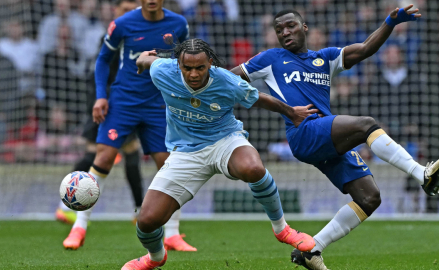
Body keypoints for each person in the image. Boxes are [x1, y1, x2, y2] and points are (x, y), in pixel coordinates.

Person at [230, 6, 439, 269]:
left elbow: (366, 48)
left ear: (305, 27)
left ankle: (311, 249)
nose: (285, 32)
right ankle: (422, 174)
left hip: (326, 137)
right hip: (304, 133)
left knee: (369, 198)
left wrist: (390, 22)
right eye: (279, 30)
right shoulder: (271, 58)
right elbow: (228, 80)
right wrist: (283, 109)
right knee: (365, 125)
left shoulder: (325, 58)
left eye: (290, 26)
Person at [121, 38, 317, 270]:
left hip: (225, 140)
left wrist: (291, 112)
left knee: (253, 168)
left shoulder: (227, 81)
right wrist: (144, 59)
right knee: (146, 221)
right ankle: (155, 257)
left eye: (200, 68)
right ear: (178, 66)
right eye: (188, 68)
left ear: (210, 63)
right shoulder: (163, 71)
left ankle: (282, 229)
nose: (194, 74)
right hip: (185, 152)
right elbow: (146, 60)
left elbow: (259, 99)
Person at [62, 0, 196, 252]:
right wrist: (101, 96)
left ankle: (172, 233)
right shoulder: (122, 24)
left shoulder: (178, 24)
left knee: (168, 165)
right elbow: (103, 60)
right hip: (124, 101)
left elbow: (184, 59)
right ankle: (78, 228)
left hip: (158, 103)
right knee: (104, 157)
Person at [55, 0, 143, 226]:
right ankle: (139, 210)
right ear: (116, 11)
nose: (129, 14)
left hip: (120, 102)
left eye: (133, 10)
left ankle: (66, 206)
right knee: (114, 154)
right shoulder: (115, 37)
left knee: (117, 154)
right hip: (107, 103)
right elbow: (101, 72)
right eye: (125, 9)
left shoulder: (134, 35)